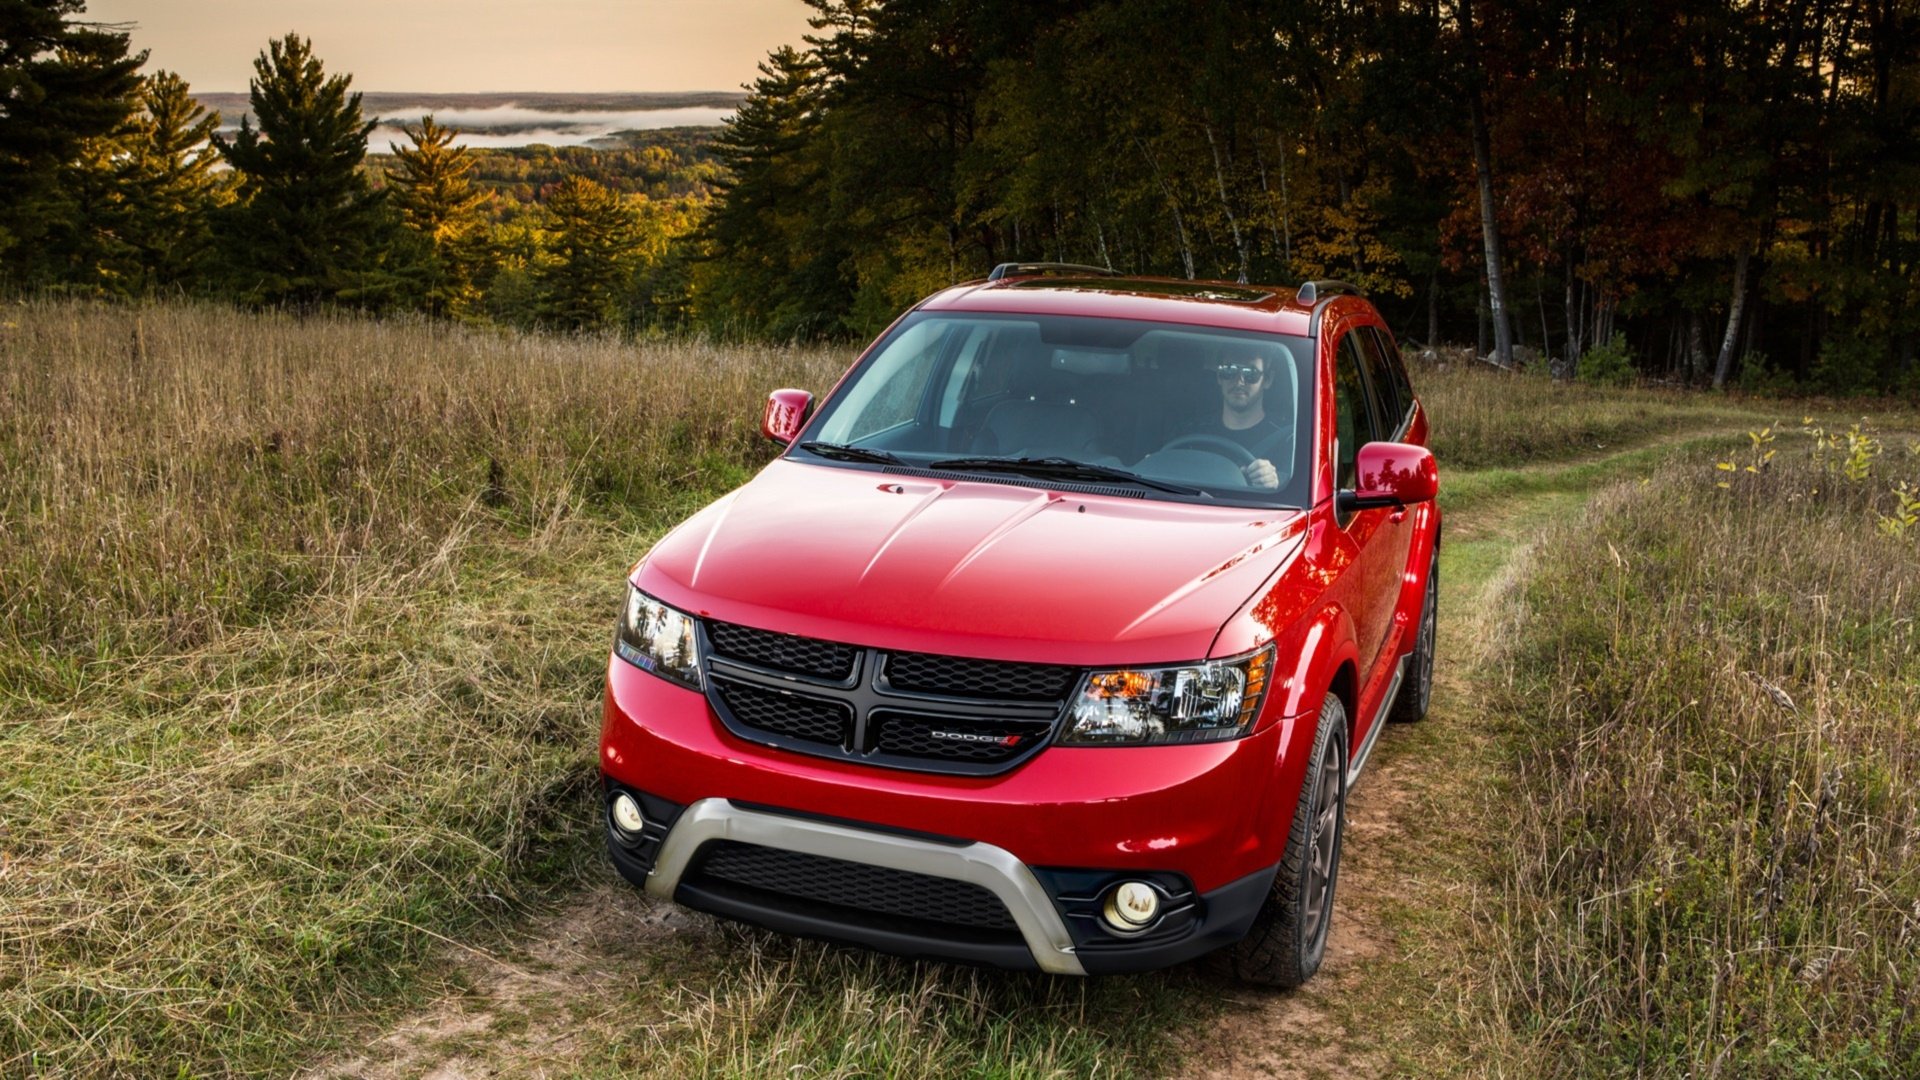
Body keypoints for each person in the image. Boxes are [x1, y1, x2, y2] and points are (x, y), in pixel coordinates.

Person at [1199, 346, 1289, 489]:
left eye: (1250, 373)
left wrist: (1275, 481)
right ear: (1218, 376)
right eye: (1229, 370)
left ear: (1268, 380)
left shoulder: (1288, 441)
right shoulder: (1192, 431)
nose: (1239, 381)